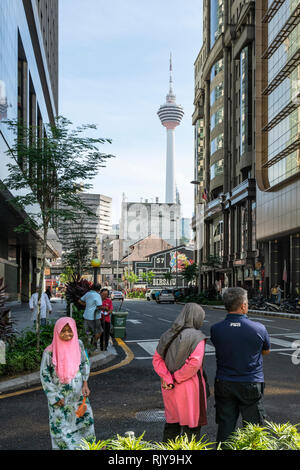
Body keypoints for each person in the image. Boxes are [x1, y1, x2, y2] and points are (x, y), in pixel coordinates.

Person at [210, 287, 271, 447]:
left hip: (224, 383)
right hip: (251, 382)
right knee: (253, 430)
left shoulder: (215, 329)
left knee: (225, 428)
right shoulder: (259, 328)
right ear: (243, 305)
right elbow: (266, 350)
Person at [153, 303, 208, 442]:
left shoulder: (167, 334)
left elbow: (157, 359)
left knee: (172, 423)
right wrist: (176, 377)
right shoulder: (197, 337)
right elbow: (194, 364)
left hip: (169, 387)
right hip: (189, 387)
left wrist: (168, 378)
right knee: (191, 426)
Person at [40, 317, 95, 450]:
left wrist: (85, 383)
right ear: (57, 331)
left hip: (78, 395)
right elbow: (44, 375)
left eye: (70, 331)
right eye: (63, 331)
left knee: (84, 423)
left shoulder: (79, 344)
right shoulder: (49, 352)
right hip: (60, 399)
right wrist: (55, 397)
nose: (67, 334)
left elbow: (84, 363)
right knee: (61, 428)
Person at [78, 284, 103, 349]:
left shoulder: (88, 294)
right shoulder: (97, 295)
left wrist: (86, 305)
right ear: (99, 289)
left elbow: (79, 301)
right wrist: (105, 308)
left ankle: (86, 346)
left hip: (86, 316)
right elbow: (99, 306)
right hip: (95, 317)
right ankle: (93, 343)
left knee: (87, 332)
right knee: (99, 331)